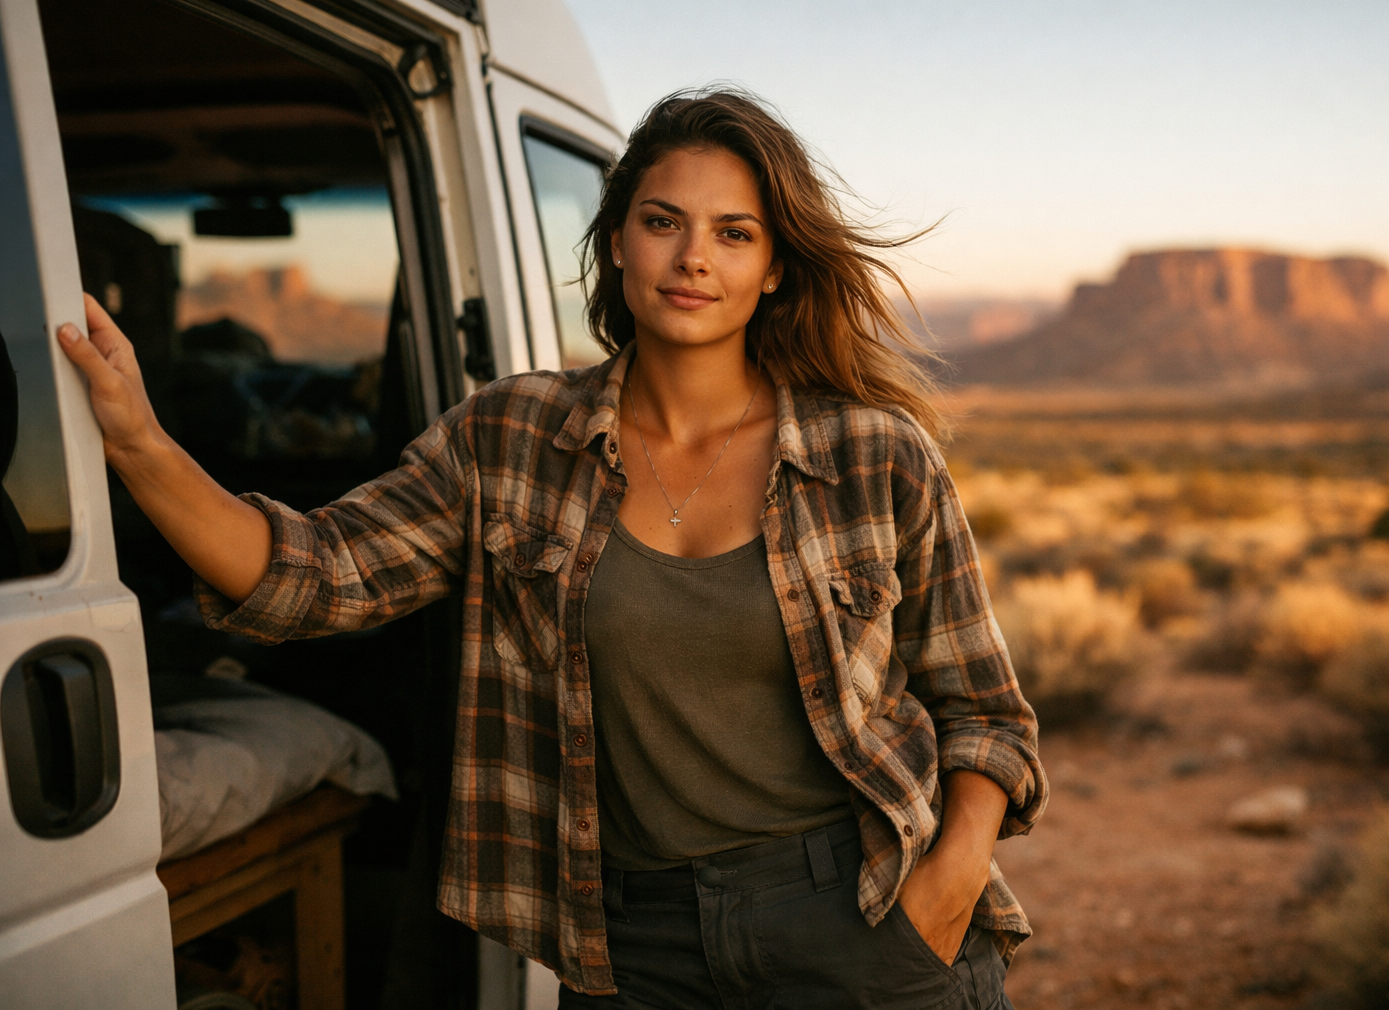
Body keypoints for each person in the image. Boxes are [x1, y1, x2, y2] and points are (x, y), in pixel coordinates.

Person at [59, 89, 1046, 1008]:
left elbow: (987, 714)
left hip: (864, 909)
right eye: (663, 221)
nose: (693, 258)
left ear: (775, 266)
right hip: (637, 944)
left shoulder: (873, 455)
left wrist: (946, 890)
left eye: (733, 233)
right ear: (617, 241)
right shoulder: (512, 438)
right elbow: (311, 576)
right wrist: (141, 445)